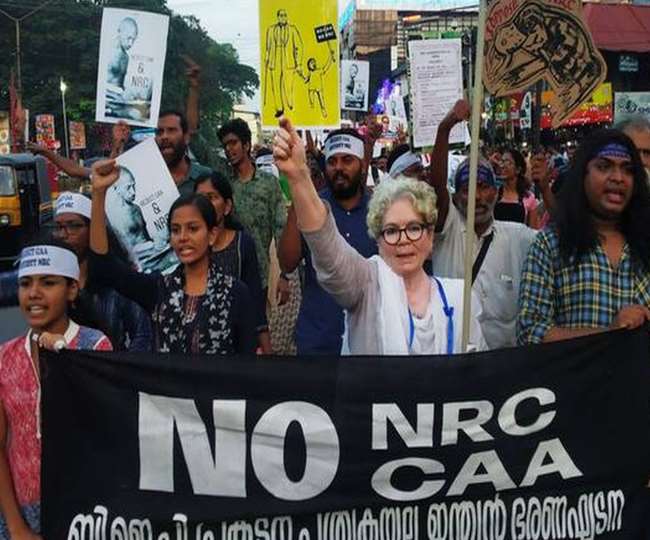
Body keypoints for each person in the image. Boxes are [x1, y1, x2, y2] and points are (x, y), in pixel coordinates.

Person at [273, 118, 485, 354]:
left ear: (431, 235)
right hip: (319, 345)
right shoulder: (367, 286)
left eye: (414, 228)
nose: (404, 239)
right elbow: (331, 254)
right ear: (378, 238)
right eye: (391, 231)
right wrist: (299, 179)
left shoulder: (460, 299)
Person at [0, 240, 112, 538]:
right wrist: (16, 527)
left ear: (72, 290)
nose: (34, 293)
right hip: (22, 514)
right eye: (25, 284)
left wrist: (64, 359)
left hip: (86, 515)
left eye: (48, 283)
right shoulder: (4, 358)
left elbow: (106, 434)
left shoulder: (95, 348)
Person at [89, 159, 256, 354]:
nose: (183, 237)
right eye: (176, 230)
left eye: (193, 229)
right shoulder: (158, 289)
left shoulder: (235, 293)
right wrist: (98, 194)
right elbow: (104, 266)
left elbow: (247, 363)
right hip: (165, 385)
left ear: (211, 235)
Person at [518, 129, 650, 345]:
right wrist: (608, 333)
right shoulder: (550, 245)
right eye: (604, 166)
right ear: (583, 175)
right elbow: (530, 332)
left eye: (628, 170)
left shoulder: (645, 241)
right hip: (575, 378)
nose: (618, 178)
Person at [427, 100, 536, 349]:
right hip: (454, 361)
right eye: (467, 189)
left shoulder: (517, 238)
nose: (476, 197)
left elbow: (558, 238)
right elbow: (436, 187)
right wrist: (445, 128)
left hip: (504, 370)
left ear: (496, 193)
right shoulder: (448, 230)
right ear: (456, 198)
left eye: (483, 187)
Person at [0, 192, 152, 352]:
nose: (64, 234)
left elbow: (142, 333)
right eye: (58, 227)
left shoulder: (117, 279)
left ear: (93, 229)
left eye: (73, 225)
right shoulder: (41, 273)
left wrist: (121, 371)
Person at [278, 129, 378, 354]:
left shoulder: (381, 209)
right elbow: (287, 262)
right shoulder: (313, 207)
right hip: (317, 340)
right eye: (332, 161)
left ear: (362, 164)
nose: (339, 168)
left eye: (347, 160)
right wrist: (300, 196)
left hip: (369, 341)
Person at [194, 172, 271, 353]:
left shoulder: (242, 244)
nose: (205, 205)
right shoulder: (187, 249)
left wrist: (267, 351)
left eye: (211, 198)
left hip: (236, 347)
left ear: (227, 206)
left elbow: (255, 302)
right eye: (199, 199)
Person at [218, 119, 289, 301]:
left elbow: (281, 228)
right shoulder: (222, 184)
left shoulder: (268, 183)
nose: (228, 149)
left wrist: (285, 275)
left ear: (247, 145)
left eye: (233, 143)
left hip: (260, 276)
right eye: (225, 145)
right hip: (227, 276)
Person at [155, 110, 212, 196]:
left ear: (186, 137)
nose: (164, 136)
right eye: (159, 132)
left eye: (171, 130)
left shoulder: (207, 176)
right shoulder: (145, 178)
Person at [264, 9, 304, 118]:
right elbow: (268, 47)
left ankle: (290, 105)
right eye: (281, 15)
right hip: (275, 59)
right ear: (278, 17)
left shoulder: (292, 29)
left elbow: (299, 47)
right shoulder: (271, 30)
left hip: (288, 61)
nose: (283, 17)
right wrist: (267, 59)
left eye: (285, 15)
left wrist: (299, 63)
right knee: (276, 86)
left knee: (288, 85)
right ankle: (279, 109)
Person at [494, 148, 540, 228]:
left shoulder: (529, 198)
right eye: (502, 161)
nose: (502, 165)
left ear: (518, 170)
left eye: (508, 162)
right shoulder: (494, 195)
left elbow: (533, 232)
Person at [107, 17, 138, 89]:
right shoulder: (107, 50)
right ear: (120, 32)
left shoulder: (126, 57)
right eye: (129, 38)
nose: (130, 44)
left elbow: (121, 83)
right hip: (105, 93)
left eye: (133, 40)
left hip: (117, 96)